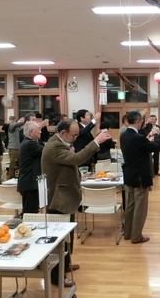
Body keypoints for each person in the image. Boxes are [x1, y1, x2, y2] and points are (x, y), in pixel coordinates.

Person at [41, 119, 111, 287]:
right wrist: (96, 141)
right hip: (59, 198)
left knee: (68, 237)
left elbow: (71, 157)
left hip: (66, 195)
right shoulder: (54, 147)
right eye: (74, 135)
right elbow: (77, 159)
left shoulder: (59, 142)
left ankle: (65, 264)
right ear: (63, 133)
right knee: (60, 239)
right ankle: (56, 277)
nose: (76, 138)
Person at [120, 109, 160, 244]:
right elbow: (155, 147)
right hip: (139, 176)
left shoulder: (125, 134)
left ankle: (128, 233)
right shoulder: (137, 137)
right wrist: (156, 135)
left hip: (129, 174)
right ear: (138, 120)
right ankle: (136, 236)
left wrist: (148, 138)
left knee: (130, 205)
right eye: (142, 120)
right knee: (140, 208)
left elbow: (141, 146)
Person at [17, 121, 43, 214]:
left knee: (31, 211)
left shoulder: (28, 142)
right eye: (38, 130)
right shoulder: (30, 144)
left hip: (29, 182)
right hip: (30, 183)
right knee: (30, 213)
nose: (41, 132)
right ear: (31, 132)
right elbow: (46, 151)